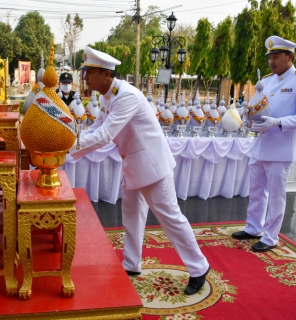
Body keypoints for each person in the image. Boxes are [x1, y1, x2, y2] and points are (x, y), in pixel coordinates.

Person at [69, 46, 210, 295]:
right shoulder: (106, 97)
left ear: (105, 74)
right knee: (132, 214)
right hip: (134, 163)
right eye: (85, 73)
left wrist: (69, 146)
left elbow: (105, 135)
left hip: (153, 166)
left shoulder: (126, 96)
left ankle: (199, 268)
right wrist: (71, 140)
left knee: (170, 217)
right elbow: (97, 127)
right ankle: (132, 263)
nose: (85, 78)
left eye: (88, 72)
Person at [232, 36, 296, 252]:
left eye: (276, 57)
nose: (271, 61)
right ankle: (253, 227)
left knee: (276, 194)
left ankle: (270, 237)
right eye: (269, 57)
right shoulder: (267, 81)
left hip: (281, 147)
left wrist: (279, 122)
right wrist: (250, 119)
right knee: (257, 190)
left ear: (290, 56)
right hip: (260, 144)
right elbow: (257, 109)